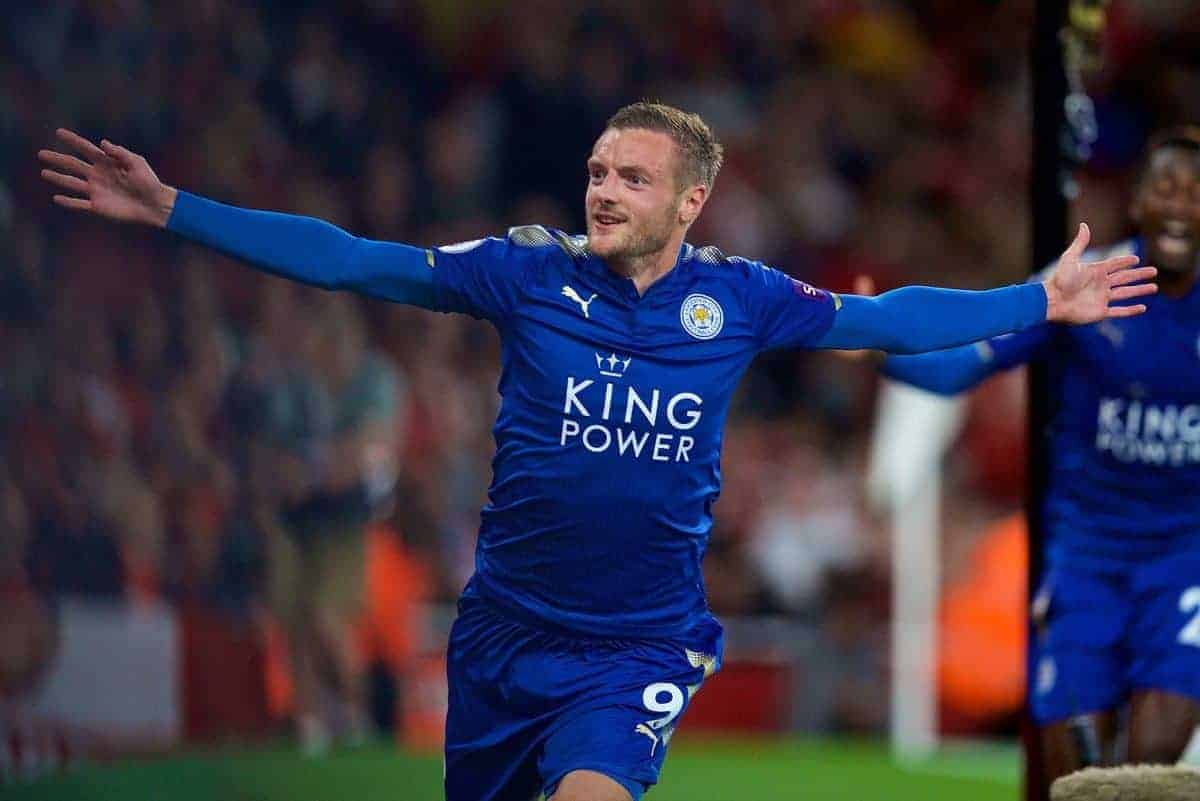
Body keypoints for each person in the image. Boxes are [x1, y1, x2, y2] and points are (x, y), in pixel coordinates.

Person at [38, 102, 1154, 801]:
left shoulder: (744, 300)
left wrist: (1037, 302)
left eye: (631, 178)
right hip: (502, 638)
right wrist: (177, 208)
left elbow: (893, 320)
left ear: (691, 200)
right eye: (597, 172)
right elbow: (350, 262)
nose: (603, 191)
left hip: (636, 649)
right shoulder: (524, 274)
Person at [879, 127, 1200, 793]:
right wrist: (872, 344)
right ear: (1137, 201)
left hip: (1185, 558)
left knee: (1153, 759)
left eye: (1197, 193)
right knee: (1077, 773)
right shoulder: (1085, 285)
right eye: (1165, 187)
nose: (1180, 204)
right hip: (1086, 557)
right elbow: (960, 366)